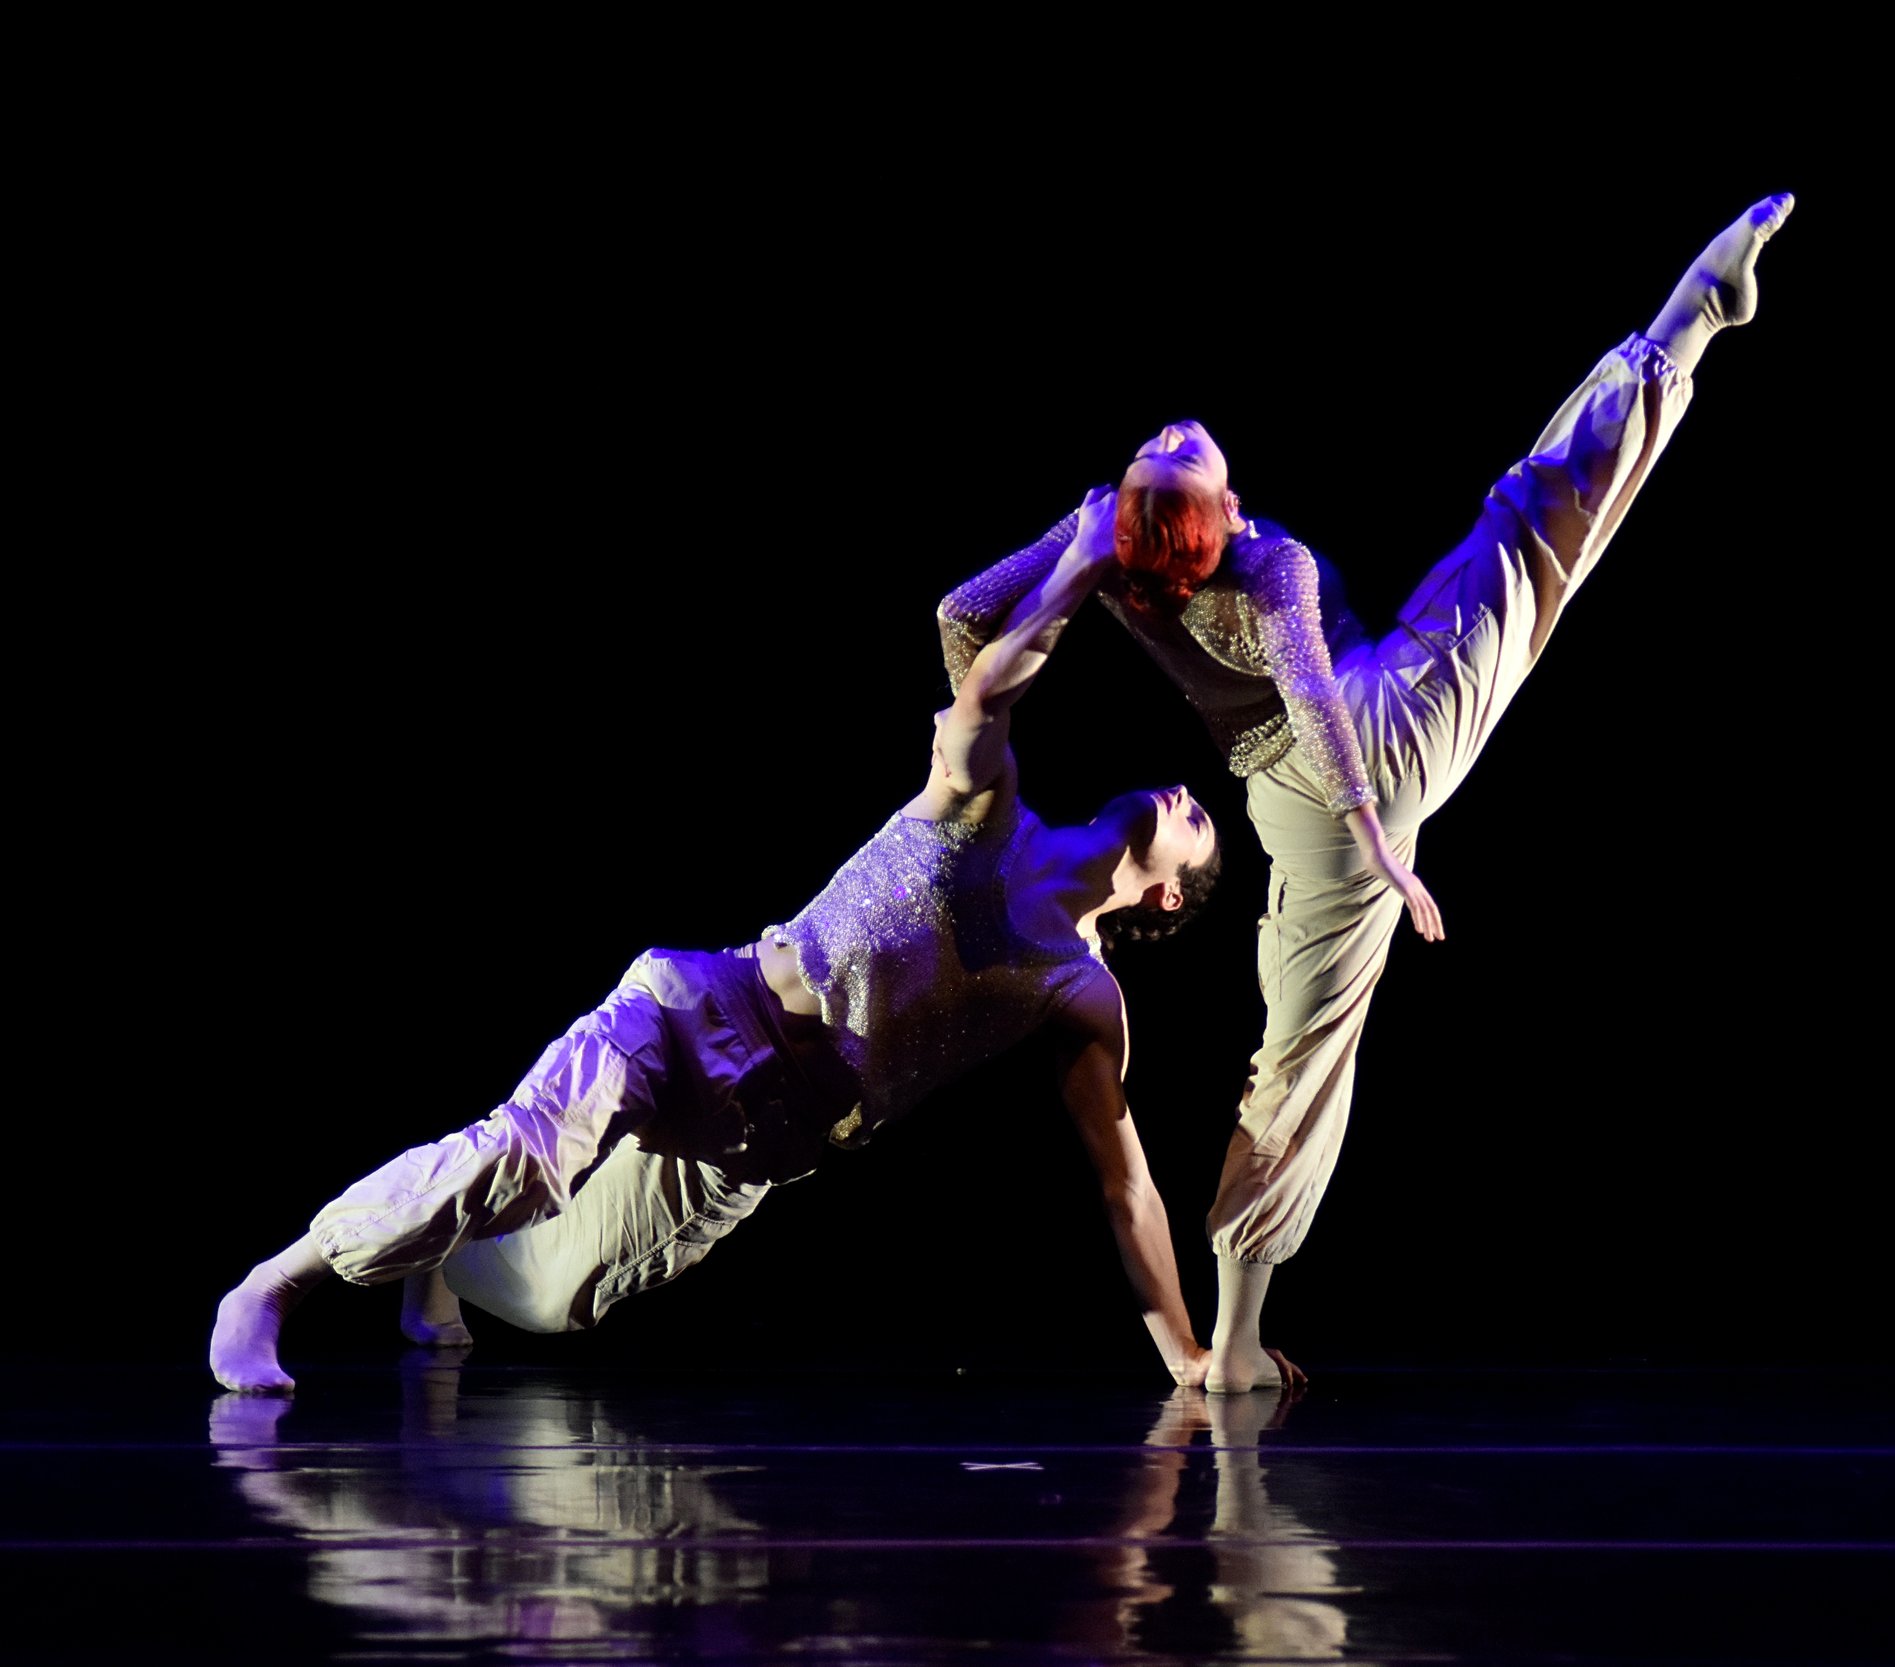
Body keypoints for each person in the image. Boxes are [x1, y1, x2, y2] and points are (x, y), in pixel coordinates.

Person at [938, 194, 1796, 1390]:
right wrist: (1380, 842)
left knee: (1296, 1061)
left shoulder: (1107, 541)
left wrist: (1064, 587)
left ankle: (1231, 1346)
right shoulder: (1266, 558)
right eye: (1175, 454)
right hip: (1367, 742)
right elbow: (1309, 691)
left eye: (1162, 447)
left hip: (1299, 809)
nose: (1176, 431)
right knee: (1526, 533)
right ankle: (1687, 321)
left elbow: (959, 620)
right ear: (1225, 512)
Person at [210, 487, 1303, 1395]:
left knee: (552, 1298)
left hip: (766, 1143)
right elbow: (979, 689)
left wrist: (1188, 1355)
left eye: (1198, 821)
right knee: (524, 1161)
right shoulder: (989, 812)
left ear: (1167, 899)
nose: (1179, 791)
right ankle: (273, 1285)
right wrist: (1078, 556)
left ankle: (440, 1255)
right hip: (699, 1016)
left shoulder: (1082, 994)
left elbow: (1128, 1188)